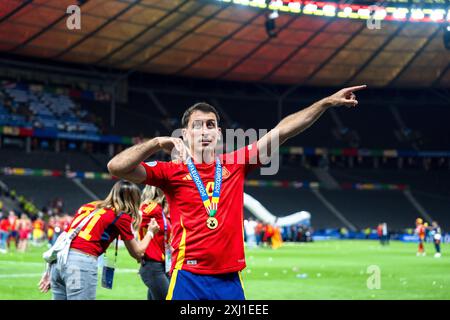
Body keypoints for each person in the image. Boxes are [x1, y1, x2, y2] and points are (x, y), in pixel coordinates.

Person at [107, 85, 366, 300]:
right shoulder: (171, 171)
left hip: (229, 279)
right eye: (198, 125)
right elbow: (116, 167)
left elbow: (282, 131)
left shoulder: (236, 162)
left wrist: (325, 103)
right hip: (188, 277)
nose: (205, 130)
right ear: (185, 134)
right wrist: (154, 143)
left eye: (211, 124)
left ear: (218, 133)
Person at [38, 180, 160, 300]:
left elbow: (65, 237)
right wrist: (150, 232)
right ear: (134, 199)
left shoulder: (89, 206)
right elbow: (137, 252)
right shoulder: (121, 215)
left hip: (57, 261)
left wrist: (48, 270)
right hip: (79, 264)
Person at [138, 185, 172, 300]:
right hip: (153, 266)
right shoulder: (152, 207)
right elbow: (138, 217)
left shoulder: (160, 210)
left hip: (161, 265)